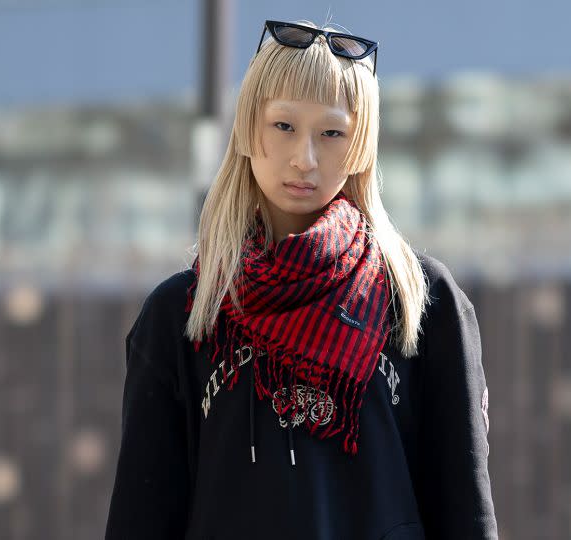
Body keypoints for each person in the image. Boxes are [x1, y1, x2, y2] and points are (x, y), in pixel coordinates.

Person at [104, 18, 498, 540]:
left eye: (332, 132)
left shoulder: (420, 301)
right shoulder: (180, 315)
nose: (304, 158)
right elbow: (142, 518)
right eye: (283, 126)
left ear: (360, 145)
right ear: (248, 128)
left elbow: (465, 513)